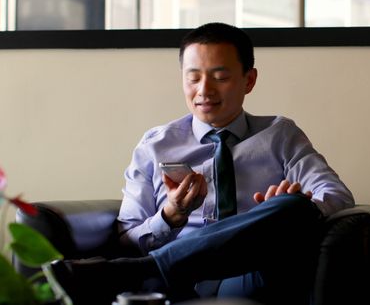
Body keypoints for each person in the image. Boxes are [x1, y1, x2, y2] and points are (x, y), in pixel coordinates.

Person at [51, 22, 354, 305]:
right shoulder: (155, 145)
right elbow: (127, 238)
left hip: (246, 276)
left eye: (220, 78)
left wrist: (275, 214)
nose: (204, 90)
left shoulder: (280, 135)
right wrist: (171, 215)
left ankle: (129, 271)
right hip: (173, 282)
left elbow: (336, 195)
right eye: (193, 77)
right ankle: (147, 267)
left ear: (249, 80)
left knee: (297, 208)